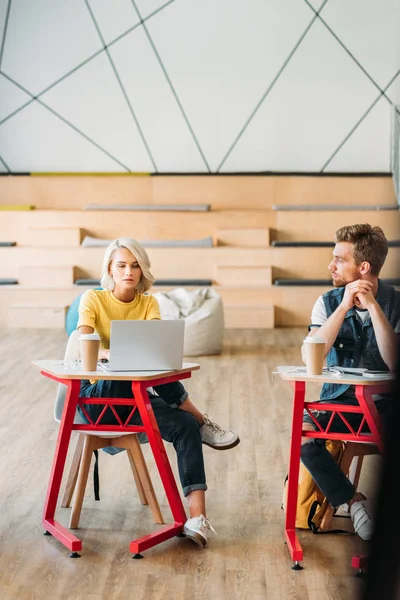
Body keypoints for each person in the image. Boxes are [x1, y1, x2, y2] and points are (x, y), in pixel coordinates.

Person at [77, 237, 240, 548]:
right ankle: (202, 417)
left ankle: (197, 517)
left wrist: (133, 356)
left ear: (142, 270)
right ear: (110, 269)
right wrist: (114, 354)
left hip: (135, 396)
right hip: (99, 397)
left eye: (135, 265)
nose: (129, 271)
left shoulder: (149, 303)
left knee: (184, 426)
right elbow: (83, 343)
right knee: (134, 362)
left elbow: (155, 352)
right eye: (122, 265)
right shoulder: (92, 300)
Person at [299, 224, 400, 541]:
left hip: (384, 407)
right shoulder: (326, 302)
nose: (331, 266)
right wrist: (343, 306)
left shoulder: (395, 304)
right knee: (303, 438)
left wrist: (373, 307)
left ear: (363, 267)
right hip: (336, 403)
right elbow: (309, 356)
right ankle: (353, 503)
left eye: (339, 260)